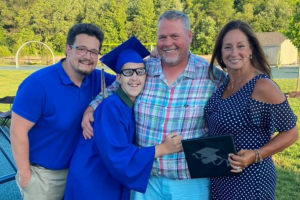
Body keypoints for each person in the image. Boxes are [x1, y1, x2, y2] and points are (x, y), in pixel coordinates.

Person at [82, 11, 226, 200]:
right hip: (146, 182)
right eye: (162, 37)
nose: (168, 43)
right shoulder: (143, 69)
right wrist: (91, 108)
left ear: (189, 36)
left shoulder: (212, 77)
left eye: (175, 36)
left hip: (189, 183)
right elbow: (111, 90)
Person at [64, 36, 183, 200]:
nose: (134, 78)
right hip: (93, 182)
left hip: (107, 178)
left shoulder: (129, 105)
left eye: (140, 72)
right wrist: (163, 149)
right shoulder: (111, 107)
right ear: (118, 78)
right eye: (128, 72)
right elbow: (118, 156)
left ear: (146, 76)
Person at [10, 23, 115, 200]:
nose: (88, 57)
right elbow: (17, 131)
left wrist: (153, 58)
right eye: (81, 49)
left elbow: (130, 78)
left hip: (80, 173)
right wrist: (25, 176)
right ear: (68, 49)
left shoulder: (99, 79)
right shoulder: (38, 84)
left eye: (94, 52)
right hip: (45, 178)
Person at [204, 20, 299, 200]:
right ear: (220, 53)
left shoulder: (262, 85)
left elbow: (291, 133)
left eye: (240, 46)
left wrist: (255, 155)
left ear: (250, 50)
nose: (234, 53)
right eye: (227, 47)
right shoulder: (224, 83)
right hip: (221, 178)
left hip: (251, 179)